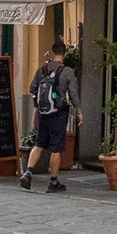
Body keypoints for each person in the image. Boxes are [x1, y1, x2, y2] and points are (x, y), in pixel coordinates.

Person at [21, 43, 80, 193]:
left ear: (52, 53)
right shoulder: (67, 72)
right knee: (56, 148)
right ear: (65, 54)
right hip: (58, 113)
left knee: (39, 144)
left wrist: (38, 106)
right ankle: (53, 182)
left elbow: (32, 88)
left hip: (43, 113)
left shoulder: (41, 70)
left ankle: (28, 172)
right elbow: (72, 93)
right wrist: (79, 110)